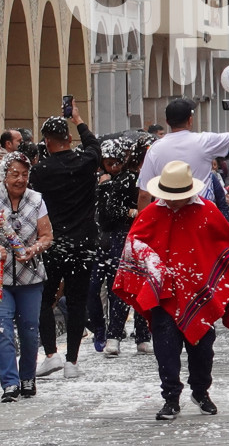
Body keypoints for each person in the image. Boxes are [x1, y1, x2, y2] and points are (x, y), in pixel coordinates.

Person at [113, 161, 229, 420]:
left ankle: (201, 391)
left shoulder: (207, 211)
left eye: (179, 197)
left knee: (203, 347)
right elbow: (133, 243)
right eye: (169, 197)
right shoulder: (152, 213)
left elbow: (228, 246)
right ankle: (171, 397)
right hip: (163, 294)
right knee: (166, 347)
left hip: (201, 291)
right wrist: (152, 262)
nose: (174, 202)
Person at [30, 107, 101, 379]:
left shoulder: (40, 171)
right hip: (83, 242)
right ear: (69, 139)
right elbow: (94, 146)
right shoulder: (85, 162)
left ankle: (51, 354)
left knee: (43, 300)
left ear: (47, 142)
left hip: (52, 244)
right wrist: (79, 120)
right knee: (77, 301)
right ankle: (72, 361)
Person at [89, 139, 152, 357]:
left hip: (135, 236)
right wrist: (133, 213)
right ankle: (114, 334)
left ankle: (139, 335)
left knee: (139, 285)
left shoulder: (138, 178)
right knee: (123, 286)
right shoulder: (123, 180)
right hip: (118, 237)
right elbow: (109, 211)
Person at [0, 152, 53, 402]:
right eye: (14, 174)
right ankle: (9, 383)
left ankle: (27, 377)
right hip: (1, 278)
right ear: (4, 176)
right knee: (3, 331)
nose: (20, 179)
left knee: (30, 331)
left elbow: (47, 237)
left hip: (30, 276)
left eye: (24, 174)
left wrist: (33, 249)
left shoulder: (36, 200)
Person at [137, 97, 229, 212]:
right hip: (199, 216)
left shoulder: (155, 149)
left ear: (167, 122)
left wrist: (145, 225)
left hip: (166, 219)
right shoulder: (205, 141)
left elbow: (144, 194)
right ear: (190, 120)